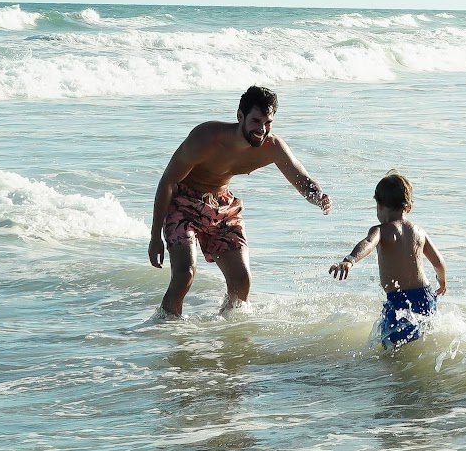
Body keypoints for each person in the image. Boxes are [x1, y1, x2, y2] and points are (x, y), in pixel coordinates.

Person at [147, 83, 331, 317]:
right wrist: (155, 237)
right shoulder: (206, 138)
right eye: (256, 121)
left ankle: (226, 333)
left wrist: (319, 196)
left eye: (268, 123)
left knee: (242, 281)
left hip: (222, 206)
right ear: (240, 116)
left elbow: (301, 178)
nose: (262, 130)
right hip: (183, 203)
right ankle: (167, 330)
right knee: (185, 275)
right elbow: (168, 182)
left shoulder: (271, 147)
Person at [327, 169, 449, 346]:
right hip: (426, 295)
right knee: (422, 341)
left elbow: (368, 243)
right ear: (408, 207)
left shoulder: (381, 230)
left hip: (399, 301)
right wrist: (442, 281)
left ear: (379, 204)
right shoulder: (419, 232)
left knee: (391, 350)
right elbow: (438, 262)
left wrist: (350, 260)